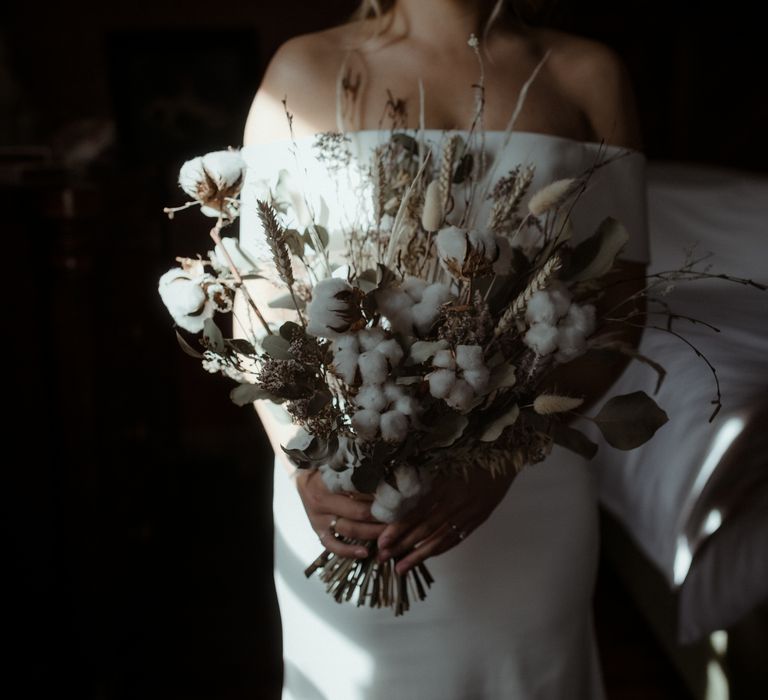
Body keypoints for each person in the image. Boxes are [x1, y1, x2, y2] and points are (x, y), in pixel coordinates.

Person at [240, 1, 649, 697]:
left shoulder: (586, 74)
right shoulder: (303, 67)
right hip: (345, 488)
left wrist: (504, 456)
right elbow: (255, 294)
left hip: (529, 486)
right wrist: (305, 463)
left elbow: (618, 306)